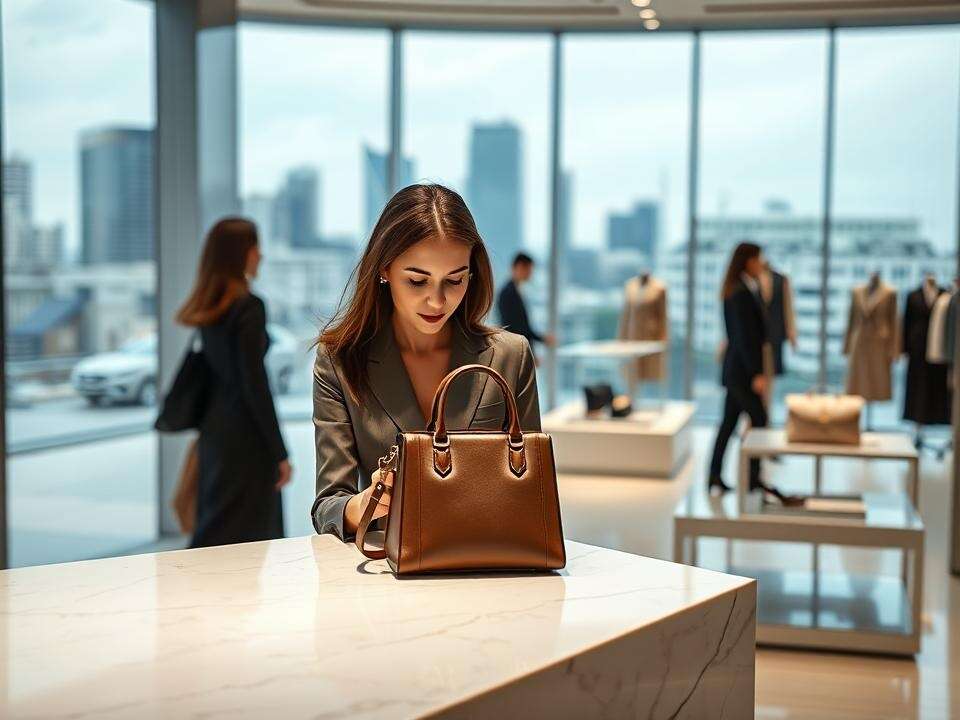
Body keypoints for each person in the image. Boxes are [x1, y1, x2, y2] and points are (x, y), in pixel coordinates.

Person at [311, 185, 541, 541]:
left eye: (455, 280)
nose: (437, 300)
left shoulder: (511, 356)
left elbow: (532, 489)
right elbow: (328, 505)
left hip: (491, 565)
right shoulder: (340, 361)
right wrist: (367, 503)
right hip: (388, 575)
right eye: (417, 280)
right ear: (384, 268)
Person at [177, 217, 293, 548]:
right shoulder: (248, 307)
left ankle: (200, 597)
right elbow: (255, 386)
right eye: (256, 246)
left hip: (214, 436)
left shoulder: (211, 308)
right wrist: (279, 452)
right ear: (240, 253)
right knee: (251, 541)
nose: (260, 255)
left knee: (214, 532)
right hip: (247, 442)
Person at [707, 242, 798, 505]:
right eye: (759, 259)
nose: (762, 264)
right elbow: (746, 337)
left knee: (728, 424)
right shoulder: (740, 291)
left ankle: (715, 475)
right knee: (759, 418)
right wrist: (757, 373)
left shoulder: (740, 287)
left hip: (736, 369)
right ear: (748, 261)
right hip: (742, 371)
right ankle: (753, 478)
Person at [496, 253, 556, 362]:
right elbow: (515, 328)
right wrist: (530, 353)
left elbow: (522, 327)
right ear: (519, 267)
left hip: (517, 349)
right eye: (529, 269)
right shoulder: (508, 293)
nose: (530, 274)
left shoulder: (514, 291)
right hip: (515, 351)